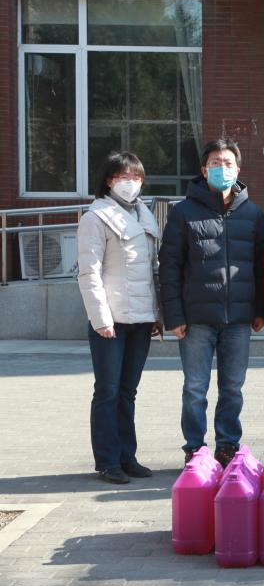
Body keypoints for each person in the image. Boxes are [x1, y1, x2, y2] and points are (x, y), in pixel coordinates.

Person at [159, 139, 264, 467]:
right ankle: (195, 447)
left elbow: (263, 265)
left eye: (228, 163)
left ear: (238, 169)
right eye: (215, 163)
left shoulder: (252, 213)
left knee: (233, 387)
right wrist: (173, 315)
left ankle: (227, 445)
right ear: (204, 170)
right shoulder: (183, 212)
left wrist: (261, 308)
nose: (222, 168)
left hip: (239, 318)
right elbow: (170, 266)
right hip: (196, 318)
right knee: (195, 387)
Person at [77, 152, 162, 484]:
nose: (131, 183)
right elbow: (89, 272)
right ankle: (107, 460)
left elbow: (153, 271)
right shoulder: (95, 217)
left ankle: (128, 456)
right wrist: (101, 319)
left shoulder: (145, 215)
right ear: (109, 180)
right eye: (124, 177)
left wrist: (157, 315)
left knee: (128, 391)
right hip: (110, 320)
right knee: (108, 390)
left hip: (141, 319)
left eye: (137, 177)